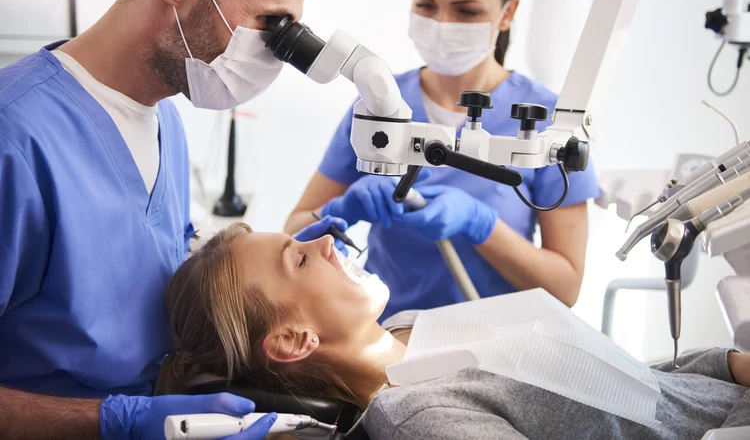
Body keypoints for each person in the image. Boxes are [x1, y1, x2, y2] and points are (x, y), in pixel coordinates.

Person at [0, 0, 352, 438]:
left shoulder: (165, 117)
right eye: (271, 24)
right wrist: (104, 422)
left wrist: (292, 262)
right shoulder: (13, 136)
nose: (276, 54)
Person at [159, 224, 750, 439]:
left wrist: (725, 364)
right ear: (292, 340)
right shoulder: (421, 419)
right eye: (301, 259)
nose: (326, 241)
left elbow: (621, 387)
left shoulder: (409, 328)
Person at [285, 0, 601, 321]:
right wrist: (340, 210)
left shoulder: (549, 120)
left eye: (466, 11)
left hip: (497, 350)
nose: (442, 25)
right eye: (426, 5)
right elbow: (293, 233)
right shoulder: (379, 105)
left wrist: (481, 225)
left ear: (508, 12)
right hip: (389, 338)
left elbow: (565, 288)